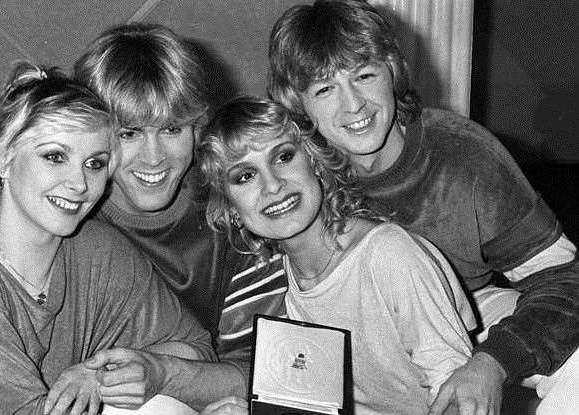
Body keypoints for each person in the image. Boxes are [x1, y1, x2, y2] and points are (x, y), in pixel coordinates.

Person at [267, 1, 579, 414]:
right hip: (356, 336)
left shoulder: (462, 153)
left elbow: (565, 278)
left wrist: (494, 362)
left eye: (364, 75)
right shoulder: (297, 173)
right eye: (325, 89)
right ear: (298, 103)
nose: (354, 105)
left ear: (392, 71)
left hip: (468, 307)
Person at [0, 61, 216, 414]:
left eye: (94, 163)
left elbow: (197, 351)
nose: (79, 184)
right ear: (0, 158)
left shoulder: (95, 248)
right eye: (55, 156)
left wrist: (108, 372)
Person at [197, 95, 474, 414]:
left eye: (283, 157)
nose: (272, 185)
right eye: (245, 176)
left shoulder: (386, 255)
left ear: (313, 161)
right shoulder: (275, 281)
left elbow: (457, 393)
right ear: (231, 209)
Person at [72, 24, 287, 409]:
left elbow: (271, 373)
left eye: (171, 129)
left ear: (196, 128)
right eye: (130, 133)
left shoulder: (229, 213)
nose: (154, 157)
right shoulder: (70, 220)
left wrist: (165, 374)